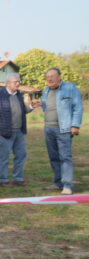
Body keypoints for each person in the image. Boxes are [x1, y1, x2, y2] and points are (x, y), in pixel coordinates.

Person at [0, 73, 39, 187]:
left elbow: (22, 110)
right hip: (5, 132)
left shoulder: (18, 95)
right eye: (16, 81)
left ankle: (18, 178)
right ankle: (3, 180)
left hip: (19, 131)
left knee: (21, 155)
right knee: (4, 157)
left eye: (19, 81)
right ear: (8, 83)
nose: (18, 83)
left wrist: (31, 107)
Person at [39, 67, 83, 195]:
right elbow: (46, 106)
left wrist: (75, 125)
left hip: (63, 128)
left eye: (52, 76)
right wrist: (39, 104)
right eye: (48, 76)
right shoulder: (46, 90)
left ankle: (67, 185)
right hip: (48, 128)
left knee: (65, 157)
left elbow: (78, 107)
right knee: (53, 157)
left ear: (59, 77)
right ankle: (57, 183)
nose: (50, 79)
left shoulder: (70, 88)